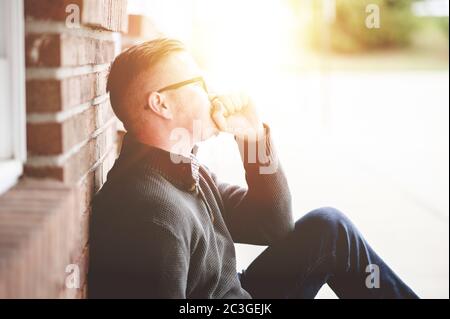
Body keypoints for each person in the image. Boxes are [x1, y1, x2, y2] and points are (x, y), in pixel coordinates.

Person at [88, 38, 418, 299]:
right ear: (161, 103)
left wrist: (252, 137)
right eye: (200, 83)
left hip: (239, 291)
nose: (213, 94)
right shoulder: (150, 215)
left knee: (330, 227)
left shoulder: (184, 171)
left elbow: (272, 225)